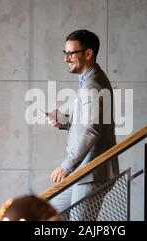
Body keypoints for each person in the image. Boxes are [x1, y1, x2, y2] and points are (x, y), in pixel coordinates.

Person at [46, 29, 119, 220]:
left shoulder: (92, 85)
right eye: (65, 53)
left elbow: (91, 130)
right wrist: (64, 121)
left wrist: (66, 167)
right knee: (47, 213)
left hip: (91, 174)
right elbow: (88, 121)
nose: (66, 58)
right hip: (83, 172)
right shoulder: (88, 80)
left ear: (88, 54)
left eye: (71, 53)